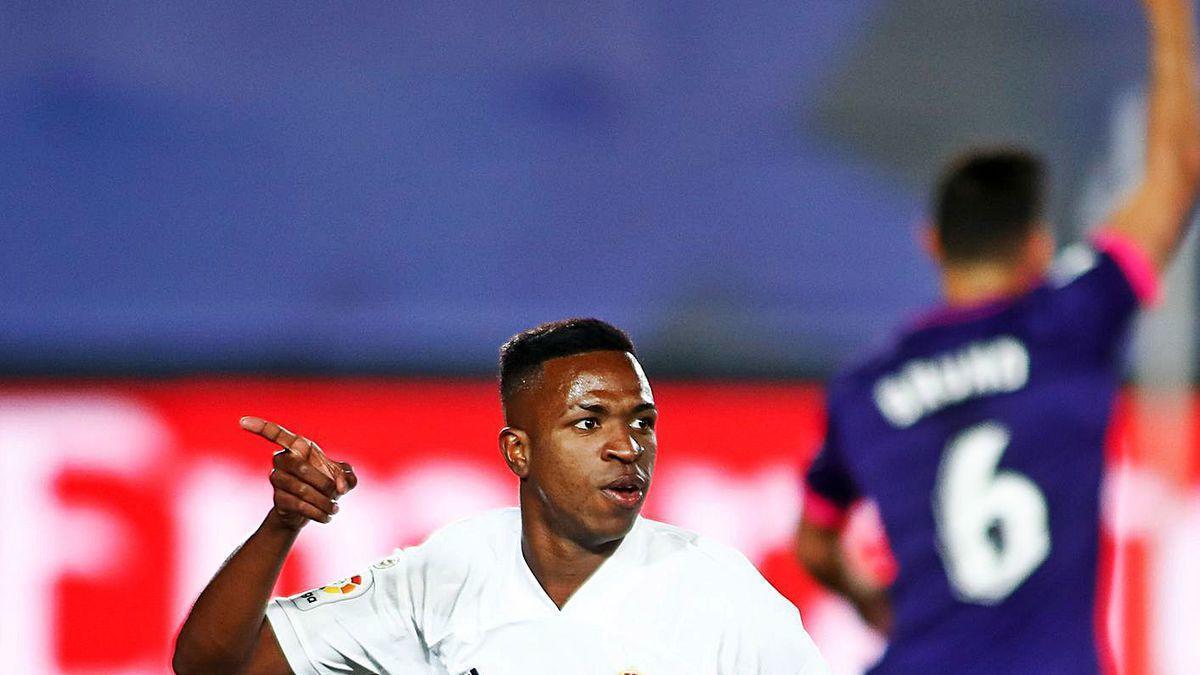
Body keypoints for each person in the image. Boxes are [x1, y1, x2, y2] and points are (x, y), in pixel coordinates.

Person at [795, 0, 1200, 672]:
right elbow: (1176, 174)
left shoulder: (866, 389)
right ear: (1038, 248)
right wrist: (1167, 20)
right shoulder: (1070, 321)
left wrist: (870, 599)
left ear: (932, 244)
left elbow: (814, 543)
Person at [173, 318, 829, 675]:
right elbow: (210, 666)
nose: (628, 445)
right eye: (589, 421)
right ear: (519, 450)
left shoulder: (720, 594)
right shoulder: (444, 577)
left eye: (643, 420)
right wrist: (283, 523)